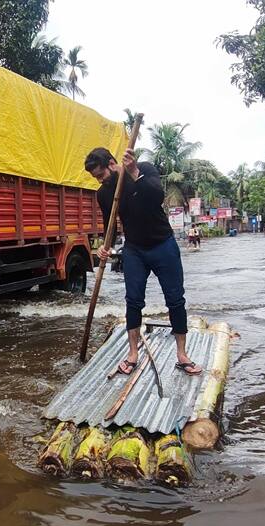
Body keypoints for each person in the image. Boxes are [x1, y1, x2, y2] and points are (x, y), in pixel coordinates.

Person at [85, 147, 202, 376]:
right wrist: (104, 248)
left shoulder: (145, 170)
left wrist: (134, 173)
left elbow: (156, 196)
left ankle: (182, 355)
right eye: (96, 178)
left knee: (175, 300)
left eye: (101, 175)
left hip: (163, 245)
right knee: (133, 301)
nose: (100, 181)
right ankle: (132, 354)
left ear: (111, 163)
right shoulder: (104, 194)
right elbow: (110, 224)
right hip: (134, 250)